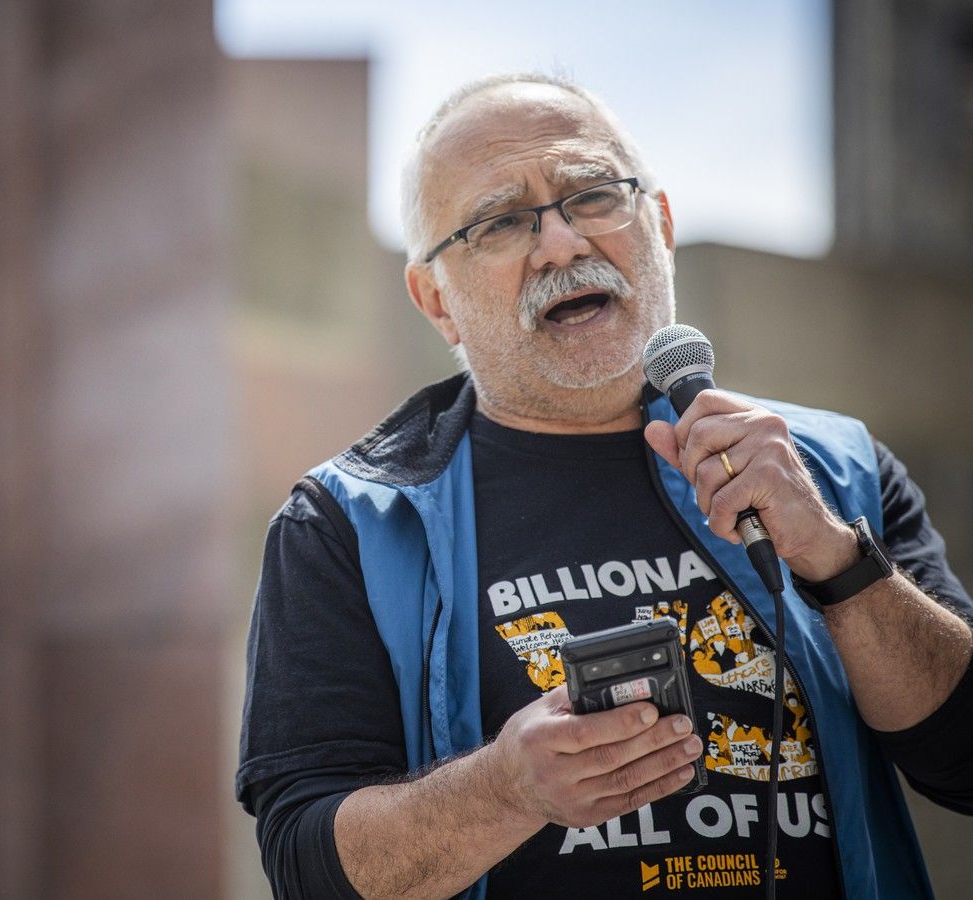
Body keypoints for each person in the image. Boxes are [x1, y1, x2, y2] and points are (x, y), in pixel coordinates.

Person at [236, 73, 973, 899]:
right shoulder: (349, 524)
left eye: (591, 195)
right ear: (435, 299)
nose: (561, 244)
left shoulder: (838, 468)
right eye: (501, 221)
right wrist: (504, 790)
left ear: (658, 224)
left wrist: (839, 561)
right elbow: (306, 866)